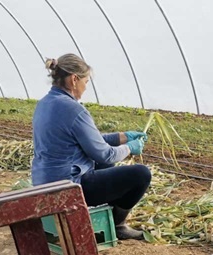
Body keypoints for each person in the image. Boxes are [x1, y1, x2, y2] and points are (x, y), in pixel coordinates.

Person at [31, 54, 150, 240]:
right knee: (141, 175)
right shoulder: (74, 109)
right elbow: (105, 154)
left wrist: (124, 137)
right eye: (86, 82)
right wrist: (130, 148)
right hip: (68, 187)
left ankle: (109, 222)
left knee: (101, 165)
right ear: (74, 79)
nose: (86, 87)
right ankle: (117, 225)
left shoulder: (44, 104)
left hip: (44, 181)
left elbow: (89, 140)